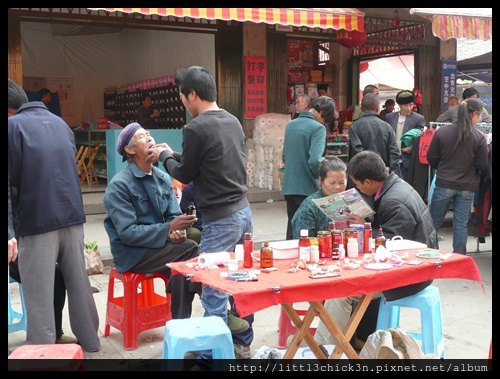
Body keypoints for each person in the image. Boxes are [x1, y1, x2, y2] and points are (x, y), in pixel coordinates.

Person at [146, 66, 254, 362]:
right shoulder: (230, 120)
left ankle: (211, 358)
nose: (182, 102)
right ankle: (240, 344)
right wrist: (173, 154)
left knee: (213, 290)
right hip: (243, 212)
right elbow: (209, 162)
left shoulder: (195, 127)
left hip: (221, 220)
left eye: (182, 96)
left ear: (192, 94)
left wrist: (165, 157)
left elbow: (185, 173)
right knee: (237, 283)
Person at [7, 79, 100, 352]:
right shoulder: (60, 124)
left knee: (39, 295)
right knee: (79, 285)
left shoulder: (13, 127)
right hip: (72, 219)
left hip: (38, 223)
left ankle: (41, 353)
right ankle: (91, 343)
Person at [103, 122, 201, 320]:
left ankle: (179, 322)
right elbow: (128, 233)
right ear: (130, 150)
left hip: (159, 246)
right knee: (189, 251)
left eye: (149, 134)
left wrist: (176, 231)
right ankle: (207, 304)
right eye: (141, 136)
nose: (149, 138)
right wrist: (168, 228)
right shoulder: (119, 185)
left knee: (185, 256)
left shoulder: (162, 177)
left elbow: (173, 215)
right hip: (132, 253)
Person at [300, 158, 380, 350]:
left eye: (341, 182)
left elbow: (372, 230)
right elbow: (301, 241)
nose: (337, 187)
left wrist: (362, 222)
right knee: (343, 293)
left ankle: (360, 338)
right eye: (332, 183)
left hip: (354, 263)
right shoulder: (309, 206)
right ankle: (329, 348)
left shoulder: (354, 200)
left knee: (372, 290)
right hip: (324, 265)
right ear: (321, 181)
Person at [346, 150, 437, 296]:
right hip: (414, 264)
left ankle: (340, 320)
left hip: (412, 273)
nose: (358, 189)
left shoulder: (394, 202)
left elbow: (391, 243)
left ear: (368, 182)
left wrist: (364, 228)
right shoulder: (395, 184)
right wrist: (366, 221)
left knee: (344, 292)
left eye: (357, 184)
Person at [427, 98, 489, 254]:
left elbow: (431, 157)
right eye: (479, 115)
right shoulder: (479, 137)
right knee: (460, 225)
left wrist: (443, 168)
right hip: (467, 187)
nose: (480, 118)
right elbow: (483, 166)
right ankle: (459, 259)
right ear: (474, 114)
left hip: (444, 183)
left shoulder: (442, 132)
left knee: (433, 223)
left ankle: (429, 255)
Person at [281, 96, 337, 240]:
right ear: (322, 111)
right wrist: (323, 179)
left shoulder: (291, 125)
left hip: (289, 187)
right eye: (325, 119)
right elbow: (315, 161)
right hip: (307, 188)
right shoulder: (318, 128)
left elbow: (284, 157)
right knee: (308, 235)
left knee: (292, 228)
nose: (324, 122)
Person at [386, 90, 426, 181]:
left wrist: (411, 147)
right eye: (405, 105)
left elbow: (422, 137)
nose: (408, 108)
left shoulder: (418, 118)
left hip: (408, 158)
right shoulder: (390, 117)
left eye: (411, 105)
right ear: (399, 105)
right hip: (392, 158)